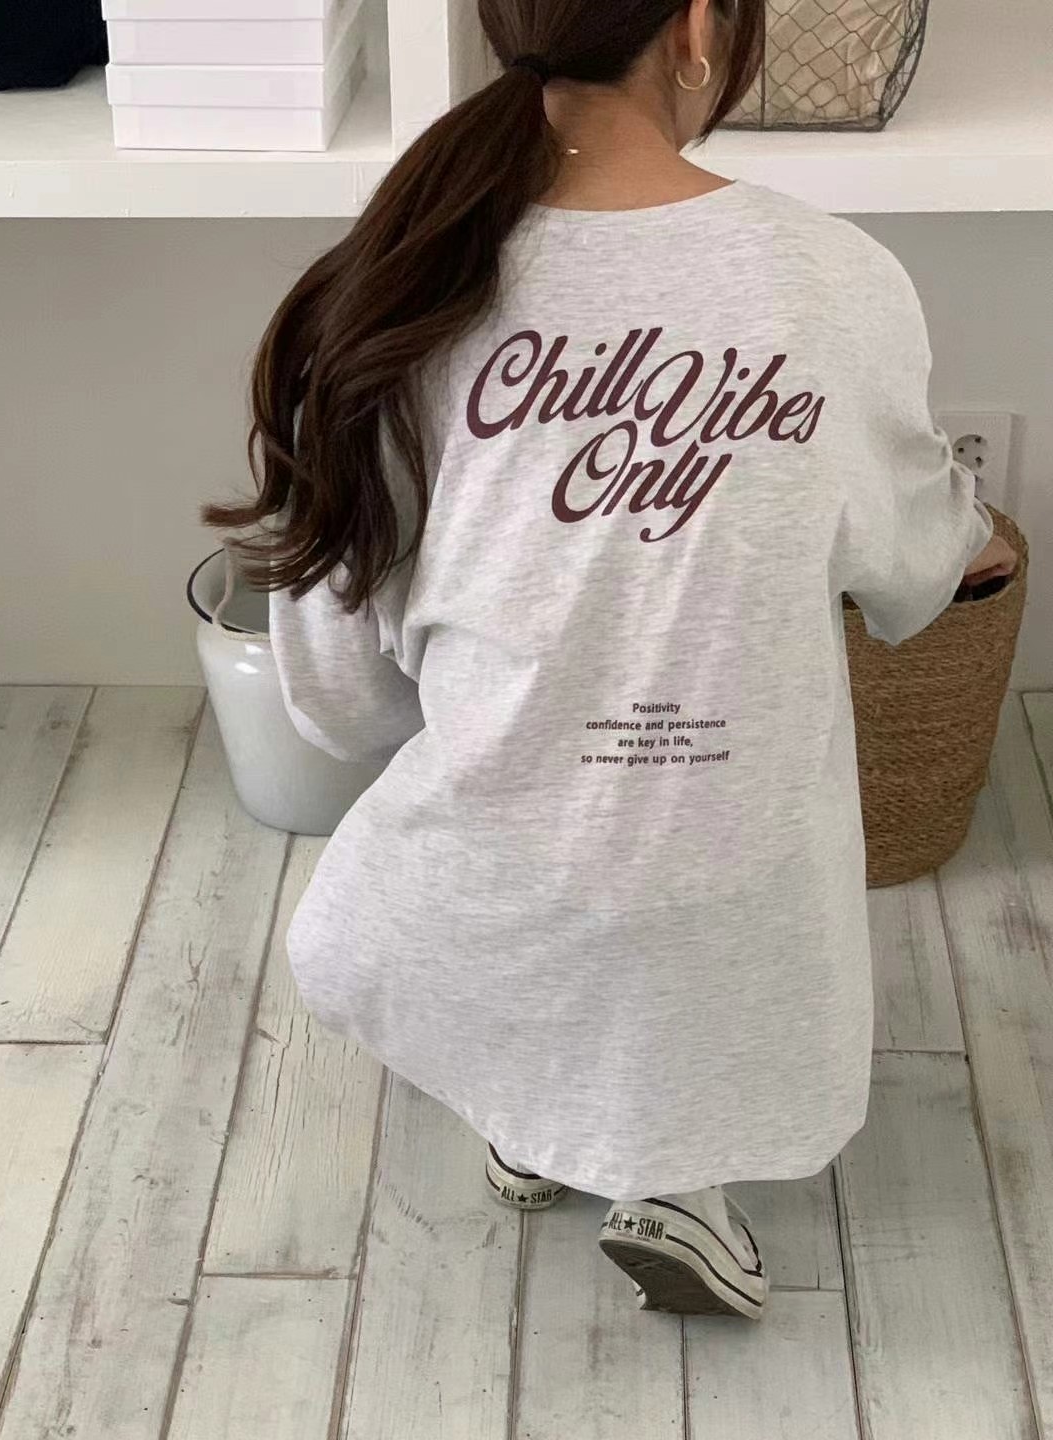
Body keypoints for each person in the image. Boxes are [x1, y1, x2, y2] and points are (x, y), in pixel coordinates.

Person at [204, 0, 1017, 1319]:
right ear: (698, 29)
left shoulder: (397, 286)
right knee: (698, 899)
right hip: (744, 894)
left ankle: (535, 1111)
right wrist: (951, 532)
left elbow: (342, 702)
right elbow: (917, 573)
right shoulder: (839, 279)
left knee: (512, 864)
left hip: (487, 893)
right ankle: (672, 1178)